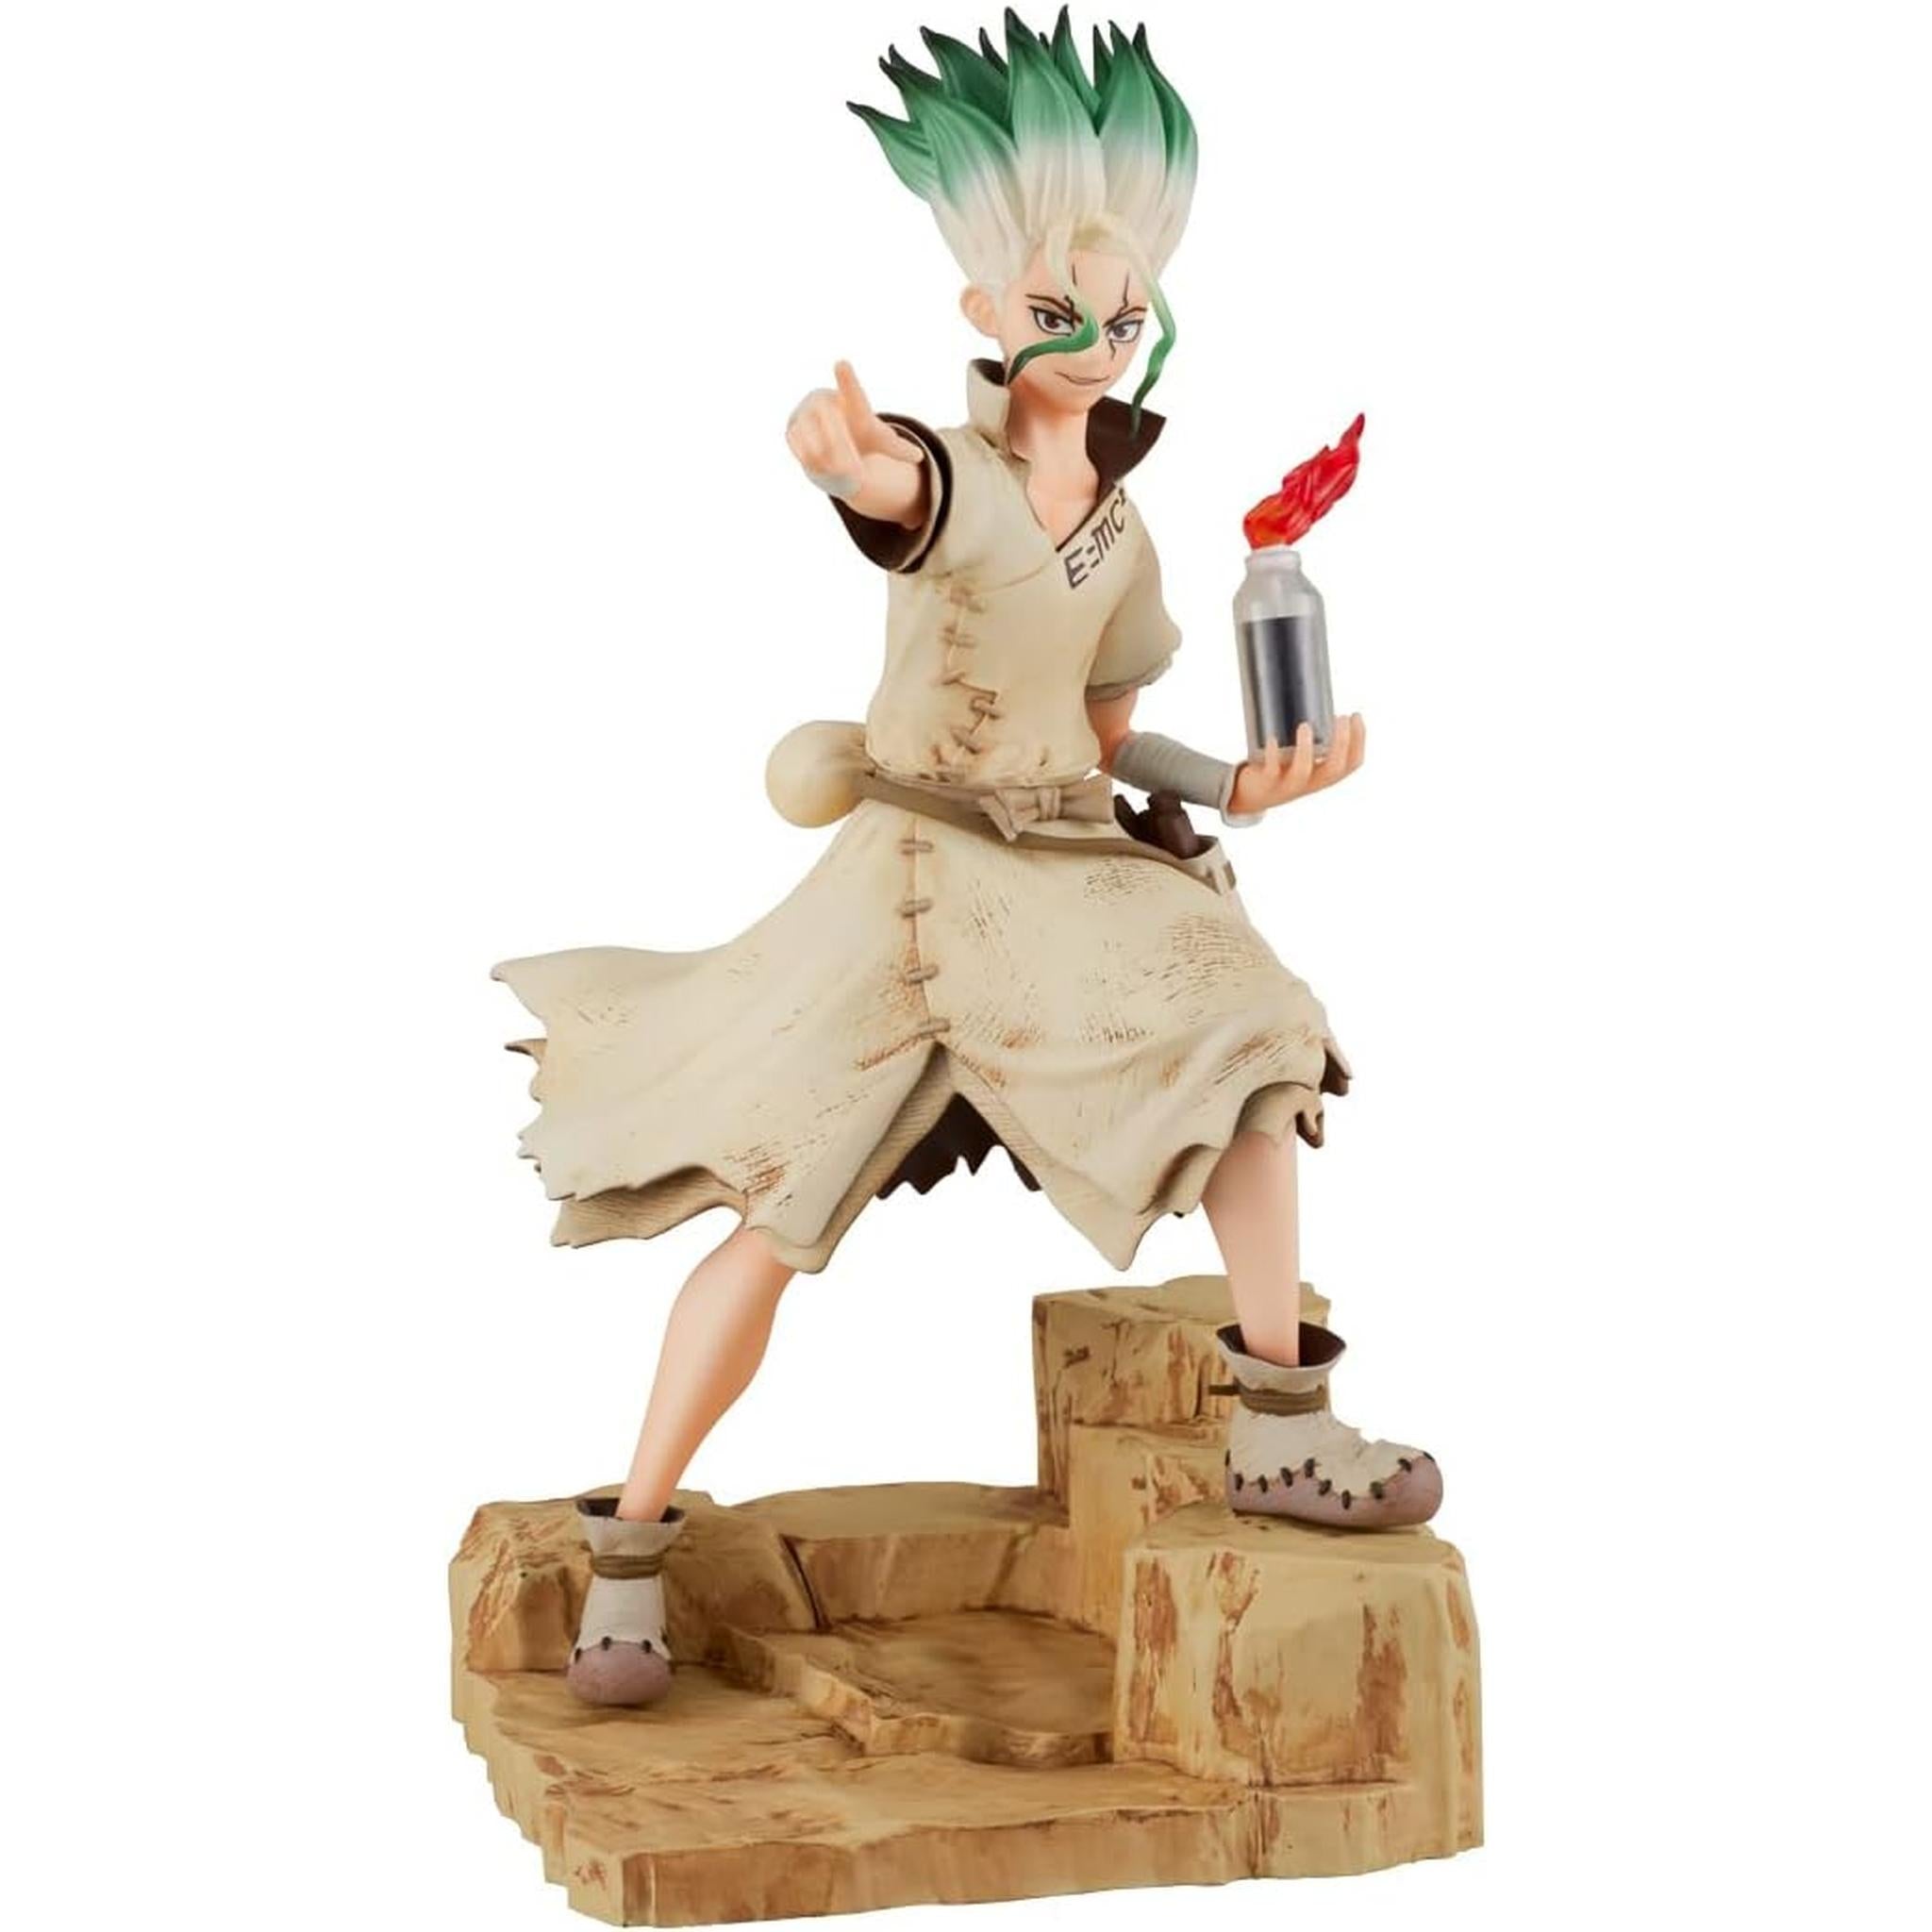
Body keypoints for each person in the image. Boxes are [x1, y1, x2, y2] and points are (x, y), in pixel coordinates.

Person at [496, 10, 1441, 1710]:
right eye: (1065, 308)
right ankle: (628, 1549)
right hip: (916, 895)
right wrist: (848, 463)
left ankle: (1280, 1421)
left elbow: (1105, 735)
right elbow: (898, 492)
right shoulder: (956, 477)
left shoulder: (1124, 525)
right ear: (987, 313)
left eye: (1128, 311)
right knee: (778, 1215)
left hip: (1060, 884)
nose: (1102, 336)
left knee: (1254, 1032)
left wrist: (1239, 783)